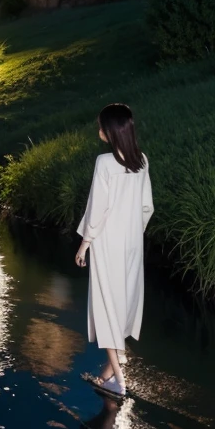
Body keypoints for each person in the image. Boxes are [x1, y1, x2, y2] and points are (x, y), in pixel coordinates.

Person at [74, 103, 153, 397]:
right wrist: (133, 232)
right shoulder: (142, 161)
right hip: (133, 242)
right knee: (124, 301)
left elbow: (98, 208)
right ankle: (110, 368)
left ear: (112, 132)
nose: (98, 131)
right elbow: (147, 207)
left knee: (107, 304)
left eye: (101, 126)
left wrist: (84, 244)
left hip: (108, 243)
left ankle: (119, 380)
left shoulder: (105, 163)